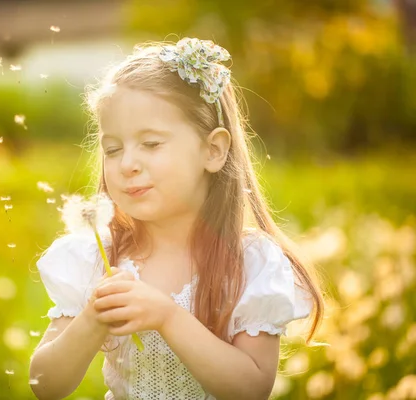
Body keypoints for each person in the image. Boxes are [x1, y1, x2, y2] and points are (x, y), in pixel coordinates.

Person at [29, 37, 325, 400]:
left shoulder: (248, 263)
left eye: (151, 144)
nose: (127, 164)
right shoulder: (98, 258)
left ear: (212, 150)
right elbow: (44, 385)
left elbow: (251, 390)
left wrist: (168, 318)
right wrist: (91, 320)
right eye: (113, 149)